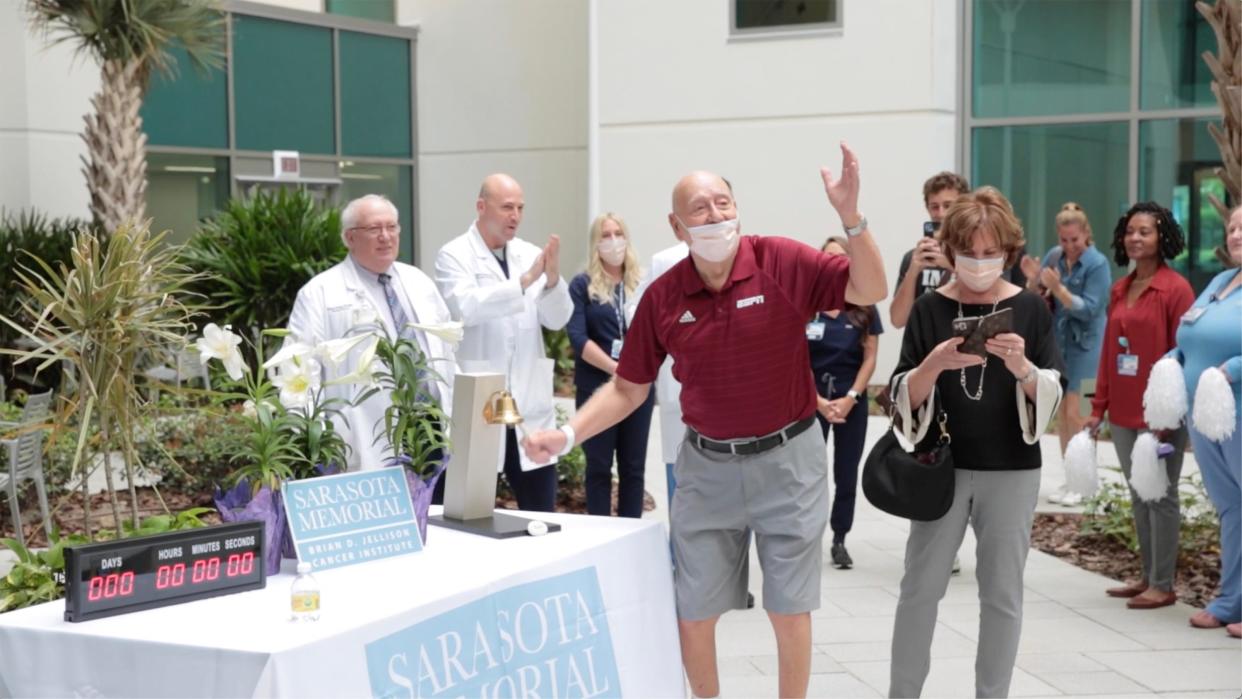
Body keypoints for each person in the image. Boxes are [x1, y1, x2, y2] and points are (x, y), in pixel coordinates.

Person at [524, 143, 888, 699]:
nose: (716, 215)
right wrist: (568, 433)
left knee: (789, 608)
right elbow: (628, 386)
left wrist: (851, 219)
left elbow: (870, 289)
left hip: (789, 461)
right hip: (707, 467)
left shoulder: (781, 261)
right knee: (693, 611)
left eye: (723, 203)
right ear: (677, 225)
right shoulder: (663, 297)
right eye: (700, 208)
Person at [887, 187, 1065, 699]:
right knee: (919, 591)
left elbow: (1053, 389)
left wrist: (1022, 368)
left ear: (1008, 251)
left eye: (992, 254)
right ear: (949, 250)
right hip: (940, 467)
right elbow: (901, 394)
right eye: (969, 253)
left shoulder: (1030, 308)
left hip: (1012, 468)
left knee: (1003, 595)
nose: (981, 263)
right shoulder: (928, 309)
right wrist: (933, 364)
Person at [287, 194, 456, 471]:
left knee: (433, 511)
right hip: (367, 437)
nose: (386, 237)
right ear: (349, 238)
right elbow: (301, 368)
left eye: (392, 227)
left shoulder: (418, 282)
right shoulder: (319, 293)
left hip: (431, 430)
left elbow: (446, 350)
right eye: (374, 229)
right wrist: (309, 440)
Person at [434, 173, 571, 512]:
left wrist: (552, 281)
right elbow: (464, 308)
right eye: (507, 207)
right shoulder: (453, 255)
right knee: (471, 507)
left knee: (540, 508)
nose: (516, 216)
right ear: (481, 207)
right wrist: (523, 283)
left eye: (521, 208)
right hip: (482, 397)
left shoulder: (530, 254)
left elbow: (557, 318)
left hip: (527, 399)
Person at [1087, 202, 1194, 610]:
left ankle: (1164, 584)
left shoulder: (1176, 289)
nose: (1135, 237)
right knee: (1139, 492)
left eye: (1145, 231)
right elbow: (1109, 354)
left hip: (1160, 412)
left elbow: (1186, 352)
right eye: (1131, 230)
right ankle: (1148, 575)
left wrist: (1169, 416)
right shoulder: (1120, 288)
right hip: (1125, 410)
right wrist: (1099, 408)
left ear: (1162, 237)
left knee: (1161, 495)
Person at [1172, 205, 1241, 637]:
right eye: (1233, 227)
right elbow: (1189, 332)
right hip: (1206, 413)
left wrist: (1230, 371)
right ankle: (1231, 598)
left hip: (1236, 406)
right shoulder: (1220, 282)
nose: (1236, 235)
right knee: (1232, 508)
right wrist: (1172, 361)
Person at [1019, 203, 1112, 506]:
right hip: (1060, 347)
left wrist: (1058, 289)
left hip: (1089, 349)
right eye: (1064, 239)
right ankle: (1071, 478)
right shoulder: (1054, 257)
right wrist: (1033, 279)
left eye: (1075, 239)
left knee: (1080, 414)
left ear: (1086, 234)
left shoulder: (1097, 264)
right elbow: (1036, 295)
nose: (1070, 246)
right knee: (1063, 416)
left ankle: (1085, 483)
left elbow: (1090, 309)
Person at [566, 212, 654, 517]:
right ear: (595, 243)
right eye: (605, 235)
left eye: (618, 233)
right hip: (596, 386)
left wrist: (634, 370)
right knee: (599, 466)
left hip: (637, 389)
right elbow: (577, 337)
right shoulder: (582, 285)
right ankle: (600, 534)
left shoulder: (641, 283)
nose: (613, 241)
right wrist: (617, 369)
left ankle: (630, 532)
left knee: (633, 467)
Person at [806, 235, 882, 570]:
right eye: (828, 258)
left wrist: (851, 398)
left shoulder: (864, 306)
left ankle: (839, 539)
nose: (834, 264)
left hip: (852, 402)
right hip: (812, 401)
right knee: (808, 474)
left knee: (846, 472)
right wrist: (818, 400)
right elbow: (796, 358)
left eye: (841, 258)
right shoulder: (807, 305)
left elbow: (870, 358)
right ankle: (806, 538)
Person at [889, 172, 968, 329]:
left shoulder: (975, 254)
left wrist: (952, 265)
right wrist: (912, 271)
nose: (941, 214)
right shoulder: (915, 257)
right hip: (923, 348)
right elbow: (897, 321)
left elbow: (991, 303)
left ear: (963, 207)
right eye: (934, 207)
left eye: (948, 206)